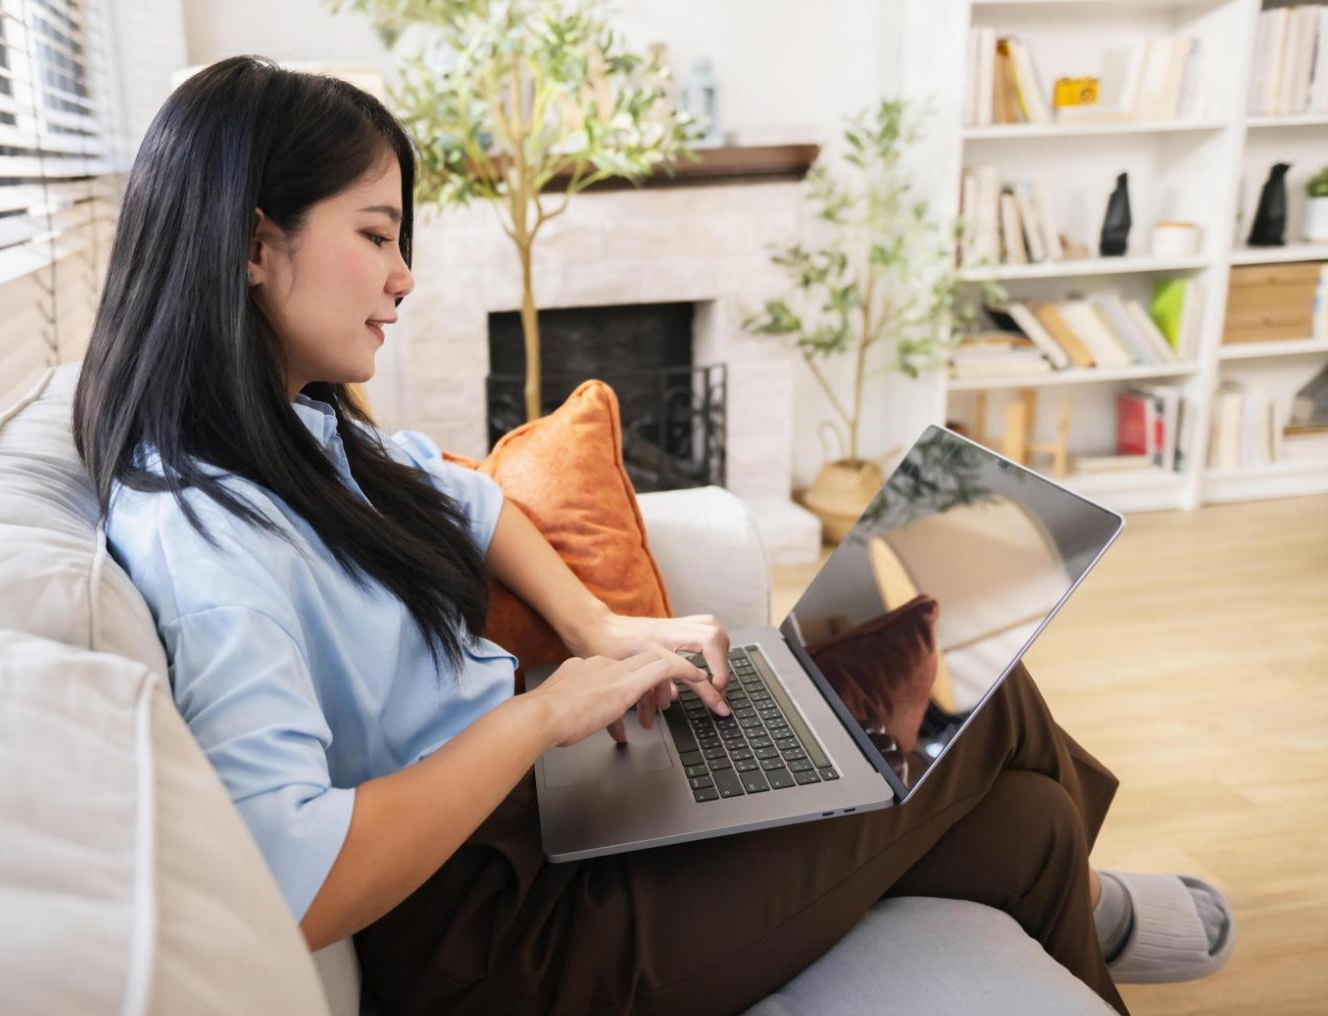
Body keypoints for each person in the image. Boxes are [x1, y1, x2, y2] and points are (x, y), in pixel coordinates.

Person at [75, 56, 1233, 1015]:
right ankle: (1101, 902)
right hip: (503, 945)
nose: (403, 276)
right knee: (977, 694)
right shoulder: (202, 530)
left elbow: (473, 503)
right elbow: (298, 879)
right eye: (376, 235)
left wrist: (598, 624)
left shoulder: (299, 428)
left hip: (556, 819)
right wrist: (547, 707)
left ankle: (1078, 890)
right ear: (249, 241)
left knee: (1019, 815)